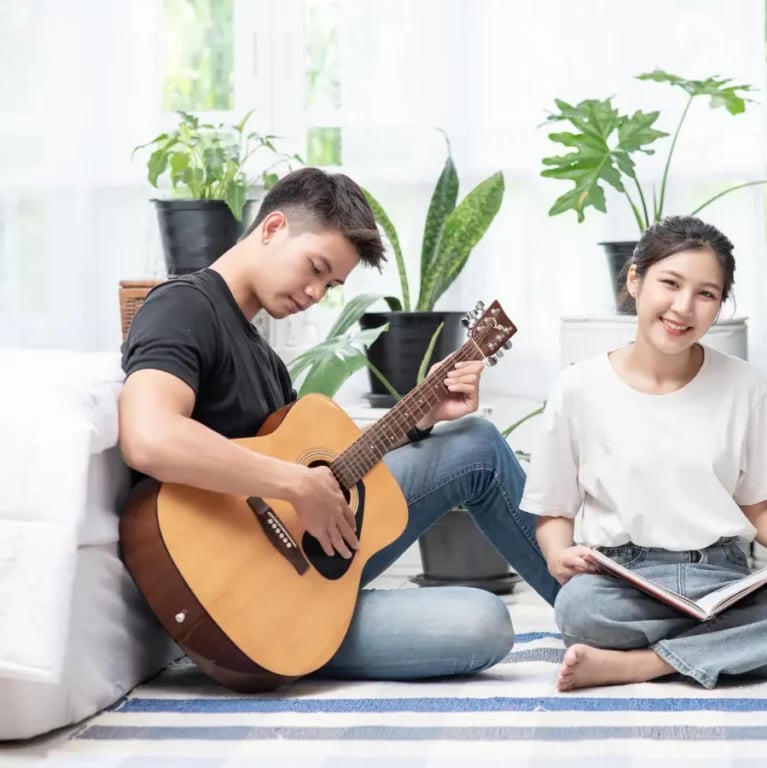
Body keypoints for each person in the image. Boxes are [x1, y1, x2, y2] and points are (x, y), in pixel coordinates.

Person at [118, 167, 560, 681]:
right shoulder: (183, 305)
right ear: (272, 227)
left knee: (475, 442)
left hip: (298, 577)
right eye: (315, 267)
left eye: (330, 285)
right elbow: (148, 437)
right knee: (484, 622)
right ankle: (605, 614)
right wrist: (294, 483)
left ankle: (594, 614)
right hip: (239, 607)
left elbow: (330, 481)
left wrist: (419, 418)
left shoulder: (265, 359)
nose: (314, 292)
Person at [520, 215, 767, 692]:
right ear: (635, 279)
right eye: (670, 283)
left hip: (724, 580)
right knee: (579, 610)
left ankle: (645, 664)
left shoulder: (742, 384)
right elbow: (554, 512)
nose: (684, 308)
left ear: (719, 305)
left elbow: (759, 510)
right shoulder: (578, 387)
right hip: (627, 584)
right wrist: (558, 554)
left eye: (706, 294)